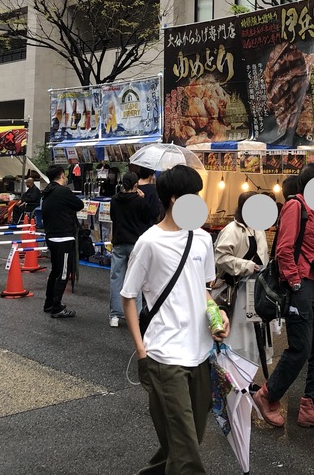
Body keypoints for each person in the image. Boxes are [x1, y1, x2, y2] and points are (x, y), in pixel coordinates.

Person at [120, 164, 228, 475]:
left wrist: (217, 313)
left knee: (185, 440)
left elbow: (203, 291)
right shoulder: (150, 242)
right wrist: (142, 352)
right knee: (187, 454)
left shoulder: (203, 240)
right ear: (174, 199)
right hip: (165, 356)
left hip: (201, 353)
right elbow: (129, 296)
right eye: (193, 196)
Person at [254, 162, 314, 430]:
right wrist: (294, 283)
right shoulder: (296, 205)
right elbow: (283, 249)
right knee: (301, 348)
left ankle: (313, 408)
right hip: (301, 287)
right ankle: (267, 395)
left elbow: (311, 248)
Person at [215, 192, 273, 368]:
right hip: (237, 291)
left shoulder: (258, 227)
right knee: (239, 334)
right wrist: (246, 266)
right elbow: (220, 257)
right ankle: (234, 373)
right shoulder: (231, 230)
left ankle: (249, 373)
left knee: (255, 334)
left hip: (256, 289)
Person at [109, 171, 156, 327]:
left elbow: (113, 217)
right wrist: (141, 199)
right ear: (136, 185)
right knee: (136, 279)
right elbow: (147, 218)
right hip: (135, 244)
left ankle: (115, 315)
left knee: (116, 278)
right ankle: (134, 316)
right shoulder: (139, 201)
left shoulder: (115, 200)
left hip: (118, 242)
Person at [40, 164, 85, 318]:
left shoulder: (47, 192)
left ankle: (49, 303)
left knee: (55, 271)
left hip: (51, 236)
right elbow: (79, 204)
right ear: (62, 175)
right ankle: (57, 307)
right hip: (64, 237)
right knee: (64, 273)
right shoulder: (63, 191)